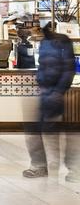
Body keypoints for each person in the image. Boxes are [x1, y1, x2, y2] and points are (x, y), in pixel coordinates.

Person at [23, 23, 78, 181]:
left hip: (60, 93)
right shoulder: (44, 43)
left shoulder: (62, 41)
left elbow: (69, 69)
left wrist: (59, 91)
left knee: (66, 132)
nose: (29, 35)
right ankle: (40, 166)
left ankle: (74, 169)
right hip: (46, 92)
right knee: (33, 127)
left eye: (32, 30)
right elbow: (43, 66)